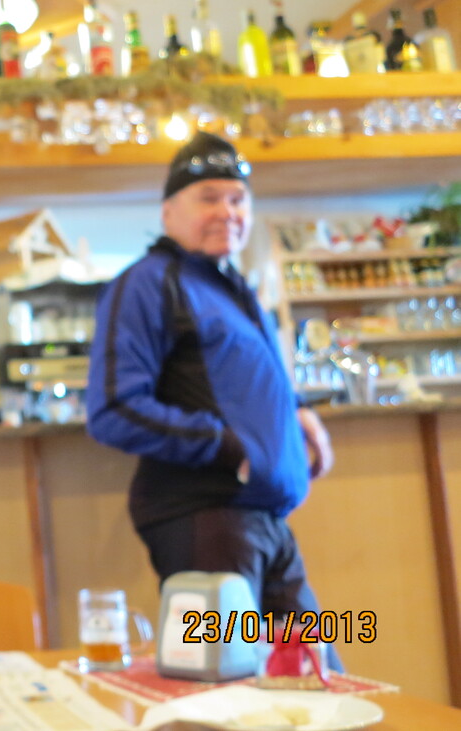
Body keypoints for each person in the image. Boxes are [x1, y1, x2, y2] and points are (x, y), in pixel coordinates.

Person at [84, 132, 340, 668]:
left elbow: (242, 376)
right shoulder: (147, 284)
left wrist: (298, 411)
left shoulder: (232, 287)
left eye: (237, 198)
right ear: (168, 212)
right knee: (226, 690)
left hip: (264, 517)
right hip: (205, 518)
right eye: (209, 198)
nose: (227, 211)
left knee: (317, 678)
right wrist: (231, 449)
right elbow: (114, 409)